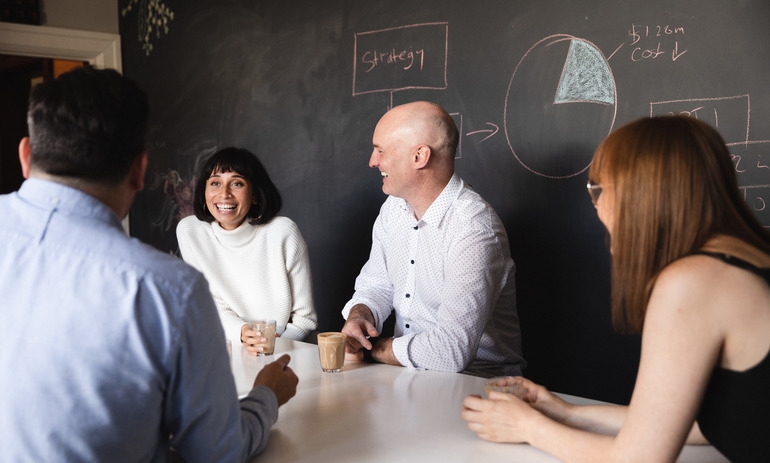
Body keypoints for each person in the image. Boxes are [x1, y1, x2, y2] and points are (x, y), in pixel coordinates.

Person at [0, 67, 298, 462]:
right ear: (140, 171)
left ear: (25, 155)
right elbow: (217, 452)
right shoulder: (168, 290)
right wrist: (265, 396)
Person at [462, 115, 770, 463]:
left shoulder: (694, 281)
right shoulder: (748, 259)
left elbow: (641, 458)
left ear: (641, 192)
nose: (596, 205)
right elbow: (711, 423)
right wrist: (567, 413)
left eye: (598, 189)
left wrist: (528, 428)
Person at [341, 101, 525, 378]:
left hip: (478, 386)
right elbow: (377, 284)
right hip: (406, 375)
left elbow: (451, 350)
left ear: (419, 157)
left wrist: (372, 349)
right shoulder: (393, 209)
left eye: (381, 150)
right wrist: (360, 316)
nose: (373, 161)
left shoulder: (474, 229)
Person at [176, 147, 317, 354]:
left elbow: (306, 320)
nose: (224, 194)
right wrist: (242, 333)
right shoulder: (191, 232)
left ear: (255, 195)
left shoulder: (282, 233)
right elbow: (210, 305)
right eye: (215, 183)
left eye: (237, 183)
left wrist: (269, 347)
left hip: (288, 351)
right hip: (227, 345)